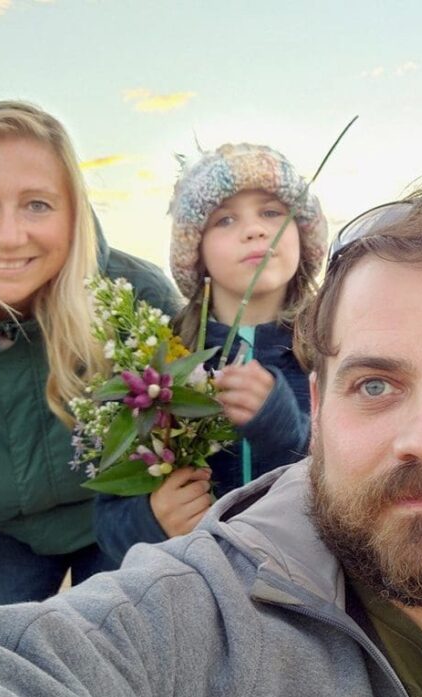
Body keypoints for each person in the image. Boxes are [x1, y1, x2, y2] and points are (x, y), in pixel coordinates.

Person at [0, 174, 422, 697]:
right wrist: (150, 519)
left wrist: (271, 421)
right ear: (323, 403)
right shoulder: (182, 625)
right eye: (376, 385)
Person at [0, 100, 182, 617]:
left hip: (121, 518)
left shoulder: (136, 298)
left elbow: (186, 451)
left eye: (37, 205)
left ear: (74, 215)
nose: (7, 235)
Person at [94, 142, 328, 564]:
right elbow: (108, 521)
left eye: (272, 212)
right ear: (195, 252)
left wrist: (284, 431)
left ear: (302, 234)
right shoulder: (159, 366)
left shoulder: (334, 351)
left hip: (312, 592)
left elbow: (360, 488)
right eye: (225, 219)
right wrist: (153, 520)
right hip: (196, 595)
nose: (254, 230)